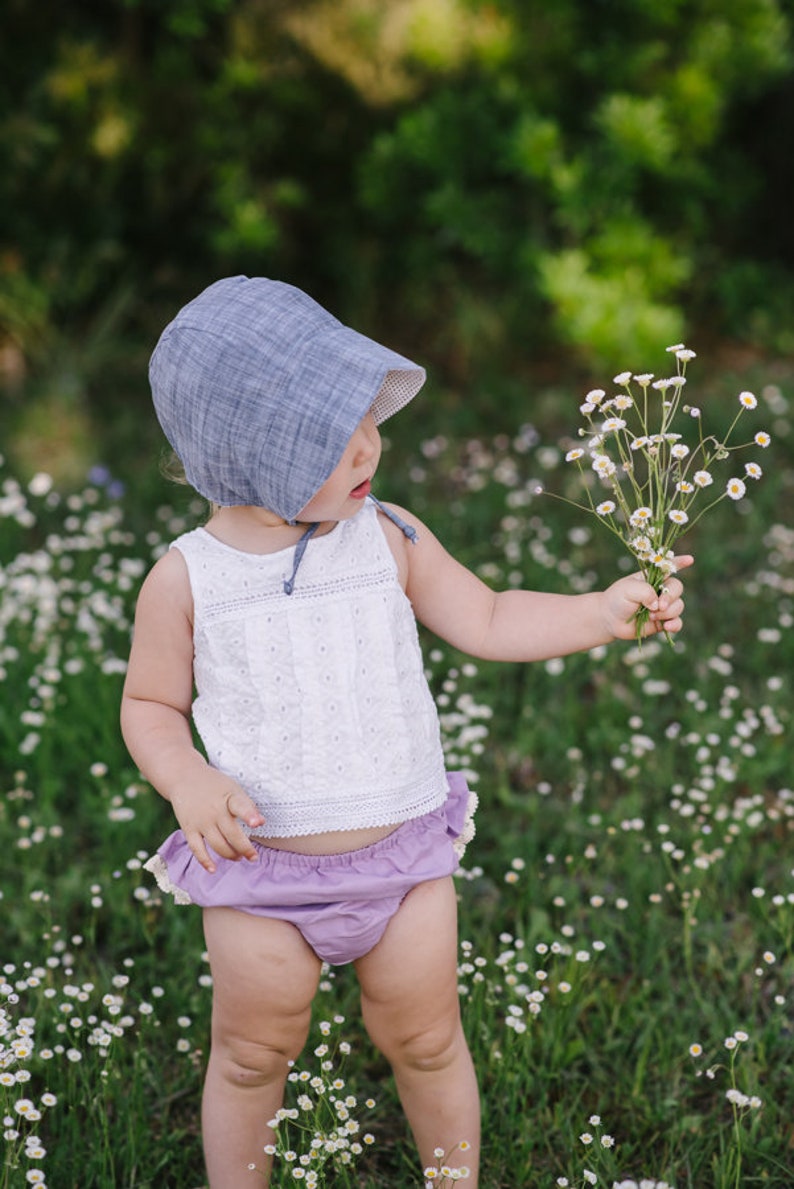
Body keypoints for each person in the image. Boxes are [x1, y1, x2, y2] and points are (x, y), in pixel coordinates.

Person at [120, 276, 691, 1188]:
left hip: (405, 858)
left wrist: (601, 612)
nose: (369, 443)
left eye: (364, 419)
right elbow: (149, 705)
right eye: (330, 437)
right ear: (250, 455)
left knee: (427, 1040)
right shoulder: (188, 578)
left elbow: (493, 617)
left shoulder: (387, 534)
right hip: (261, 873)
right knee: (251, 1055)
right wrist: (186, 780)